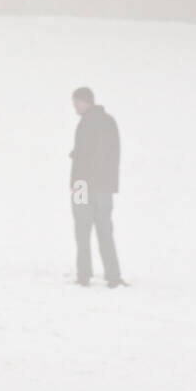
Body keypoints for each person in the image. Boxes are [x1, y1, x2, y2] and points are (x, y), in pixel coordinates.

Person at [69, 86, 126, 288]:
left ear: (85, 102)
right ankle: (113, 275)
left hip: (84, 185)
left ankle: (84, 275)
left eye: (76, 103)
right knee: (105, 232)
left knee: (82, 232)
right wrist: (111, 184)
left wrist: (76, 185)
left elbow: (82, 158)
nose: (74, 107)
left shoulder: (85, 123)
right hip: (105, 186)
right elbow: (114, 155)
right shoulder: (110, 122)